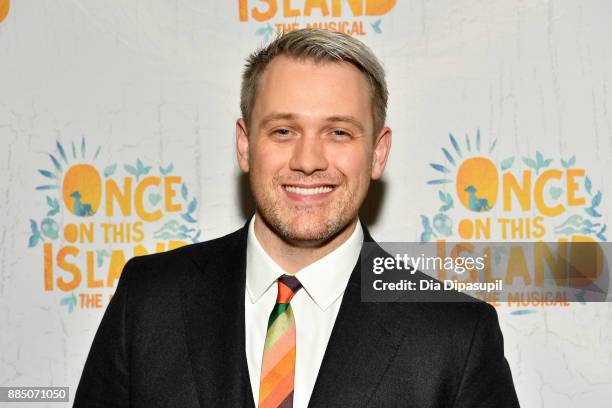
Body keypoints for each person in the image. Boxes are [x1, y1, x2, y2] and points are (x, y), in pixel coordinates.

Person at [74, 28, 519, 408]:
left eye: (339, 132)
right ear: (245, 145)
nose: (308, 161)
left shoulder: (456, 335)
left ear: (378, 153)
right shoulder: (149, 299)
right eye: (283, 130)